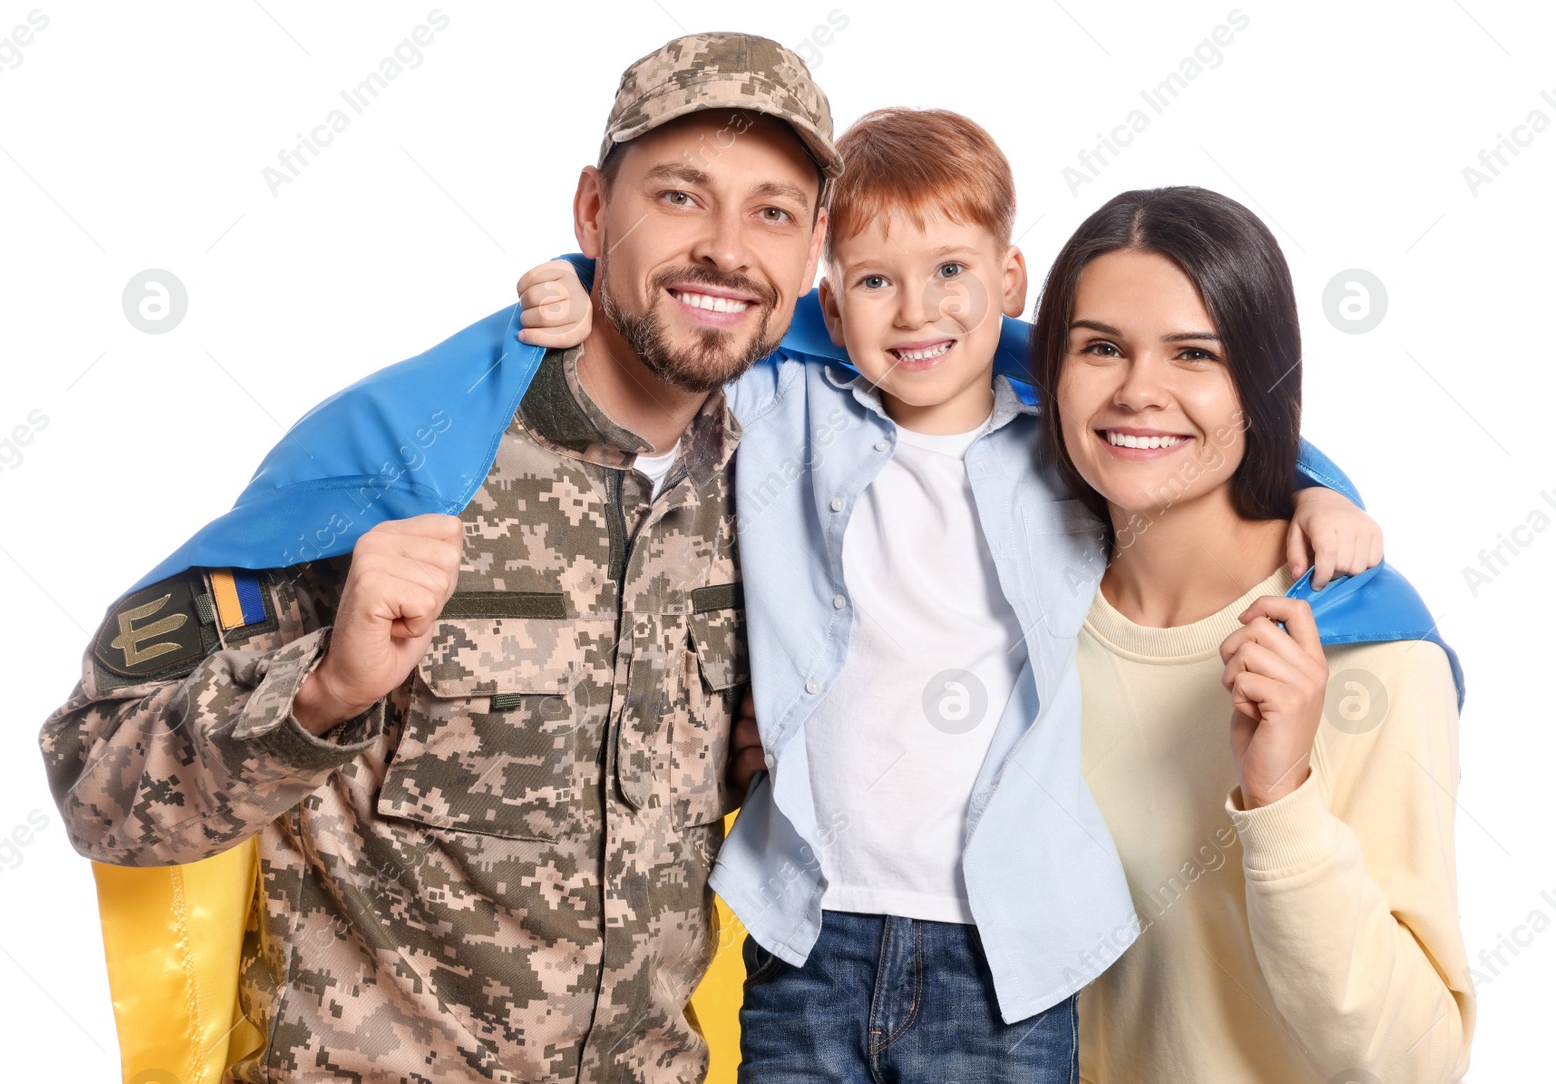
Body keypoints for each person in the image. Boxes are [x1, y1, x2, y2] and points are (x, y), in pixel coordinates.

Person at [38, 32, 843, 1084]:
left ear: (815, 249)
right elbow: (91, 787)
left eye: (772, 211)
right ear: (594, 212)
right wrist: (322, 691)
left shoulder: (793, 485)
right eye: (682, 196)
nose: (727, 249)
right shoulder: (405, 456)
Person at [517, 110, 1382, 1083]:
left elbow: (1192, 441)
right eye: (876, 280)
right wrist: (576, 279)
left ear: (1009, 281)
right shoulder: (783, 410)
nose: (916, 310)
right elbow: (689, 326)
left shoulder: (1064, 448)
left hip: (1005, 946)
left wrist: (1316, 487)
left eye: (950, 273)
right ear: (833, 307)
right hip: (810, 927)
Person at [1027, 185, 1474, 1082]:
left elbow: (1418, 1061)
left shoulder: (1368, 647)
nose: (1138, 391)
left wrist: (1282, 799)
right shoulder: (1015, 607)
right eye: (1101, 347)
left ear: (1264, 379)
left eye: (1195, 353)